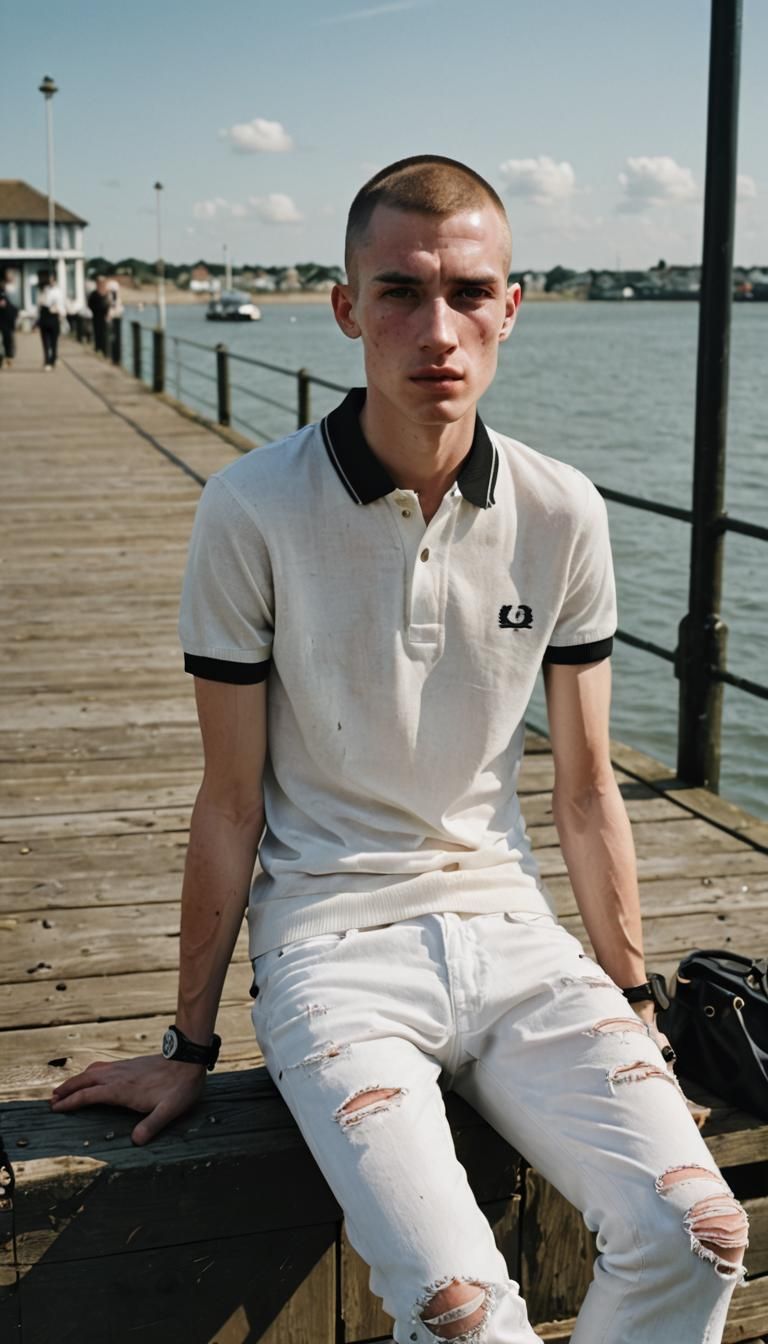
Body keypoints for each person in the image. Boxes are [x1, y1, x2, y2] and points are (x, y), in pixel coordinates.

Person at [50, 156, 748, 1343]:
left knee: (699, 1234)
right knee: (461, 1311)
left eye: (471, 292)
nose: (439, 329)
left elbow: (585, 790)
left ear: (512, 308)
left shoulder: (563, 509)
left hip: (514, 936)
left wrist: (633, 993)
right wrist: (189, 1043)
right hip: (331, 949)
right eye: (399, 293)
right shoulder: (253, 508)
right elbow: (228, 802)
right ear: (345, 309)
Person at [36, 268, 65, 369]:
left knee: (53, 341)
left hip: (53, 317)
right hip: (44, 317)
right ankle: (47, 361)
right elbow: (39, 305)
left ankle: (53, 359)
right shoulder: (42, 290)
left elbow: (61, 306)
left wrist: (59, 311)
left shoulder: (58, 291)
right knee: (45, 342)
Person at [87, 275, 112, 356]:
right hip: (97, 316)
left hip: (105, 317)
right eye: (99, 283)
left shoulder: (107, 293)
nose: (101, 284)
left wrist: (108, 313)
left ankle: (105, 351)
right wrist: (96, 309)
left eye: (102, 283)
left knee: (105, 334)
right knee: (97, 333)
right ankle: (98, 348)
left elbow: (110, 305)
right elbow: (90, 304)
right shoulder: (94, 294)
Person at [0, 271, 18, 368]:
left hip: (8, 319)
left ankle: (9, 358)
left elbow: (15, 306)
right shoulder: (3, 289)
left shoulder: (13, 290)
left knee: (8, 340)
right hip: (2, 318)